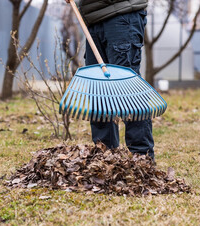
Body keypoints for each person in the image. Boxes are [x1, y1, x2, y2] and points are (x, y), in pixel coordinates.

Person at [65, 0, 155, 161]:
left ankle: (142, 158)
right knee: (98, 89)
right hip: (94, 18)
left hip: (121, 16)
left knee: (127, 88)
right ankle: (105, 158)